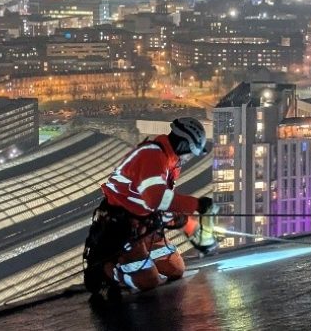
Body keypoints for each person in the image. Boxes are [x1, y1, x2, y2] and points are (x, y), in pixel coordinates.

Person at [83, 117, 219, 299]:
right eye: (190, 152)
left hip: (147, 225)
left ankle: (144, 260)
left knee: (176, 269)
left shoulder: (170, 163)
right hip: (124, 226)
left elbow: (162, 203)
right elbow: (156, 199)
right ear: (182, 144)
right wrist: (196, 204)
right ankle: (107, 271)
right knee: (148, 281)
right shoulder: (151, 156)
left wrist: (186, 223)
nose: (189, 157)